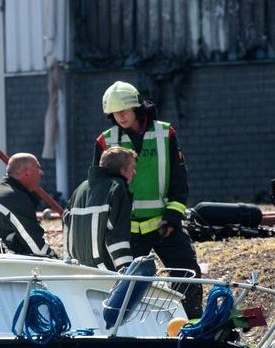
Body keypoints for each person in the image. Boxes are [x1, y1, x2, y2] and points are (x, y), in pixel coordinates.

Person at [94, 81, 203, 319]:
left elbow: (179, 178)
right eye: (114, 113)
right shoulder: (105, 140)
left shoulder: (166, 132)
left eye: (123, 111)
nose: (119, 116)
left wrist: (173, 217)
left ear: (136, 107)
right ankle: (129, 333)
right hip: (126, 230)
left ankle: (193, 327)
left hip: (164, 225)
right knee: (124, 288)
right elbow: (99, 187)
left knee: (188, 276)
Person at [64, 147, 136, 271]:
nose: (134, 172)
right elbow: (117, 236)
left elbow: (66, 224)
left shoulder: (80, 188)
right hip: (104, 269)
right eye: (132, 168)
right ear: (123, 170)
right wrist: (127, 272)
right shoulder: (118, 188)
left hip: (78, 267)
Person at [0, 153, 57, 257]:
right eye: (38, 168)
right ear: (27, 173)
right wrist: (56, 259)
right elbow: (38, 249)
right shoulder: (17, 198)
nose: (41, 173)